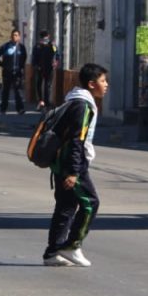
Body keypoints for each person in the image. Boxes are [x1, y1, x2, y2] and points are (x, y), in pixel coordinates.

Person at [43, 63, 109, 268]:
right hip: (72, 163)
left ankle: (52, 253)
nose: (106, 85)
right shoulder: (83, 106)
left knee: (66, 206)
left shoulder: (74, 100)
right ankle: (72, 245)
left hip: (61, 162)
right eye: (103, 81)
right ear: (91, 84)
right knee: (91, 202)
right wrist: (73, 171)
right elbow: (76, 141)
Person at [0, 29, 27, 114]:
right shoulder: (5, 46)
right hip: (7, 73)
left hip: (17, 73)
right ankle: (3, 108)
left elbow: (24, 58)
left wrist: (21, 68)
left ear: (19, 37)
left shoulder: (21, 48)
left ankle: (20, 109)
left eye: (16, 35)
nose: (14, 37)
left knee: (18, 91)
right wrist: (3, 65)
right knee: (5, 91)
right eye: (13, 35)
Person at [30, 30, 59, 110]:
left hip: (40, 68)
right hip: (48, 68)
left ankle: (42, 101)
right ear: (48, 35)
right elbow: (57, 54)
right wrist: (56, 62)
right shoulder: (51, 44)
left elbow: (34, 57)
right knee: (47, 85)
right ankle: (46, 103)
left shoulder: (38, 45)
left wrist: (35, 66)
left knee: (40, 84)